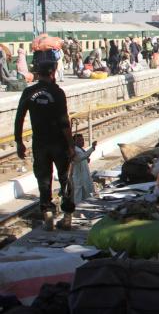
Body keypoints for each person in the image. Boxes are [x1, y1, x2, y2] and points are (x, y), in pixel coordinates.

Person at [14, 61, 74, 230]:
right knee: (65, 179)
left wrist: (19, 142)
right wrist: (70, 145)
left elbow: (19, 118)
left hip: (40, 144)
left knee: (43, 179)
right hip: (59, 144)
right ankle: (67, 216)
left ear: (37, 74)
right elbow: (64, 122)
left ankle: (47, 215)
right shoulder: (57, 92)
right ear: (53, 72)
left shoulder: (28, 92)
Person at [72, 134, 97, 205]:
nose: (82, 142)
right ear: (74, 142)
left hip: (84, 176)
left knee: (87, 195)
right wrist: (92, 148)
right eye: (79, 140)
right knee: (79, 196)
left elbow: (84, 156)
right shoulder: (75, 150)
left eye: (82, 140)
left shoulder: (80, 149)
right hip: (79, 177)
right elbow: (82, 156)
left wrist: (86, 159)